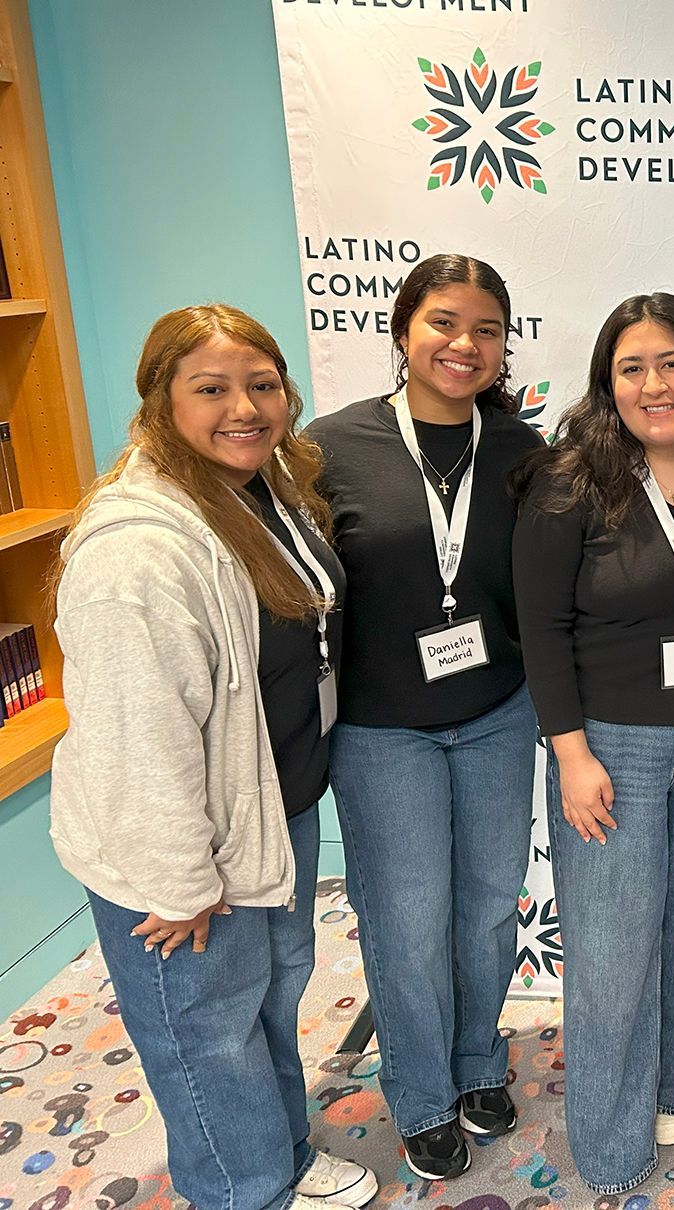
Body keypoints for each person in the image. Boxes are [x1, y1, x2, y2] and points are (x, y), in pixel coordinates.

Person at [50, 305, 376, 1210]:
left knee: (268, 999)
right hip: (186, 851)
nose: (244, 407)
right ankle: (242, 1189)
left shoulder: (262, 488)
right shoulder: (139, 553)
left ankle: (277, 1152)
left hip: (270, 805)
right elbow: (132, 737)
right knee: (205, 1029)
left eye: (260, 385)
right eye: (211, 389)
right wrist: (176, 879)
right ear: (161, 402)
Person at [510, 293, 674, 1195]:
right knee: (614, 953)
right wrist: (570, 754)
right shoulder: (568, 482)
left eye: (672, 364)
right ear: (607, 383)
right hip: (614, 745)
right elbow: (541, 629)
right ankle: (614, 1146)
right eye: (631, 368)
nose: (654, 385)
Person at [307, 254, 545, 1180]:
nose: (465, 344)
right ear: (404, 330)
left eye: (487, 329)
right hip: (381, 730)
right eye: (444, 322)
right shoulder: (328, 448)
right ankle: (420, 1093)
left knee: (487, 909)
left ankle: (479, 1061)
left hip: (494, 712)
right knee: (406, 919)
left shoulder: (522, 450)